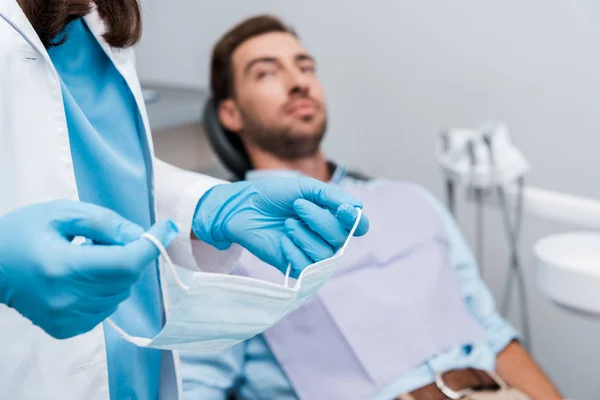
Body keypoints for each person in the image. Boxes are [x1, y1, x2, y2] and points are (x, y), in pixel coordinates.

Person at [180, 15, 563, 400]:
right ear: (230, 114)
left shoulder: (413, 200)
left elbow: (494, 336)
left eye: (305, 66)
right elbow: (198, 388)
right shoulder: (225, 247)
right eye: (266, 73)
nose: (298, 82)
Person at [0, 2, 370, 399]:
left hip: (134, 368)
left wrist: (203, 204)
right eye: (266, 71)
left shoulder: (98, 15)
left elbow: (98, 164)